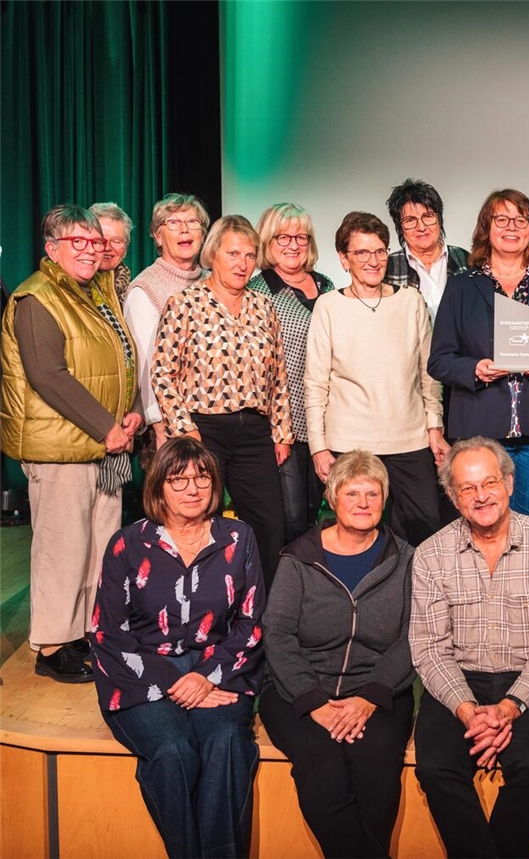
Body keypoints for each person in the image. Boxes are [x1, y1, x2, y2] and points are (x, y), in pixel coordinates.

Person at [91, 436, 266, 859]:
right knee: (172, 751)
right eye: (179, 480)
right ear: (158, 489)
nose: (192, 489)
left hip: (219, 667)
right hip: (141, 673)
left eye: (202, 478)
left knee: (226, 743)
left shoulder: (238, 538)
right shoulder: (126, 544)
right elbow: (108, 633)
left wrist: (204, 677)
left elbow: (250, 623)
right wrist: (177, 682)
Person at [410, 437, 529, 859]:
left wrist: (508, 708)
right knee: (435, 769)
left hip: (528, 685)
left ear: (508, 482)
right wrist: (469, 711)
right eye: (467, 488)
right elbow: (429, 648)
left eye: (489, 483)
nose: (481, 496)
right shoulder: (431, 554)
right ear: (452, 496)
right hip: (457, 683)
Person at [0, 204, 142, 682]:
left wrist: (133, 410)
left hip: (105, 445)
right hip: (62, 447)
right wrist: (108, 426)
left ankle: (83, 631)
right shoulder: (36, 297)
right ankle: (52, 646)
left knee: (97, 545)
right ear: (52, 248)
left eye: (93, 242)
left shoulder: (92, 293)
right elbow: (49, 377)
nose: (88, 250)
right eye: (76, 242)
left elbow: (121, 359)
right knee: (61, 549)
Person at [261, 451, 415, 859]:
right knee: (321, 766)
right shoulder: (299, 557)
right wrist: (313, 701)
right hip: (300, 691)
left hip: (377, 692)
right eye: (352, 493)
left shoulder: (406, 560)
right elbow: (277, 634)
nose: (363, 503)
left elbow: (413, 636)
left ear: (385, 500)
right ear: (332, 498)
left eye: (372, 493)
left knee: (377, 765)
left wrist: (369, 696)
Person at [428, 189, 529, 525]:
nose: (511, 227)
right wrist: (476, 369)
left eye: (521, 219)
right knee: (483, 522)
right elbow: (440, 359)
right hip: (480, 430)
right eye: (501, 219)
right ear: (487, 228)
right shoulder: (461, 286)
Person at [150, 214, 292, 583]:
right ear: (213, 254)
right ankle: (204, 604)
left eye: (249, 255)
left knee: (269, 523)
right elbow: (162, 373)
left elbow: (277, 375)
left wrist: (281, 431)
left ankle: (262, 612)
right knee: (201, 521)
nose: (242, 263)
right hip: (202, 429)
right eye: (233, 254)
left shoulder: (264, 306)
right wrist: (185, 431)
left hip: (255, 431)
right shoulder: (185, 303)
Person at [306, 211, 446, 546]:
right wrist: (318, 446)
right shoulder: (328, 306)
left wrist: (434, 427)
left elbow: (429, 373)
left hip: (409, 441)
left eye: (380, 251)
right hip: (349, 444)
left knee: (424, 534)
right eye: (362, 253)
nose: (373, 260)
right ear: (344, 259)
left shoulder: (410, 301)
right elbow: (315, 382)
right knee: (358, 538)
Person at [247, 203, 336, 543]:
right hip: (284, 427)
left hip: (329, 424)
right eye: (283, 236)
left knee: (324, 517)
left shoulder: (327, 285)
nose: (293, 244)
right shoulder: (258, 291)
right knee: (292, 522)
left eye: (301, 236)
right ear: (266, 241)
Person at [122, 194, 211, 463]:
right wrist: (159, 426)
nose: (184, 229)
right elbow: (143, 365)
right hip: (169, 427)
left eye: (192, 222)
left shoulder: (214, 281)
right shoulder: (145, 289)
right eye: (173, 222)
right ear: (157, 237)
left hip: (212, 419)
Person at [383, 178, 469, 323]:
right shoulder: (387, 267)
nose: (421, 227)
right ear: (400, 227)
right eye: (410, 220)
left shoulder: (465, 259)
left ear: (439, 219)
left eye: (428, 217)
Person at [90, 202, 134, 301]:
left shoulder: (135, 292)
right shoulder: (73, 288)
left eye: (116, 241)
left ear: (126, 248)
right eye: (100, 240)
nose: (107, 248)